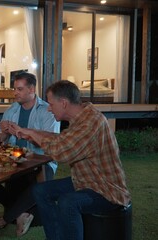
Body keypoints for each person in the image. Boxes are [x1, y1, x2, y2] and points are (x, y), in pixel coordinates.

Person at [15, 80, 131, 240]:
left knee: (68, 202)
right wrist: (32, 132)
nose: (48, 108)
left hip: (106, 191)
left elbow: (61, 152)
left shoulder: (90, 123)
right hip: (85, 181)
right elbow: (63, 139)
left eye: (51, 104)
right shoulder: (81, 118)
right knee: (40, 191)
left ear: (63, 103)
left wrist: (33, 134)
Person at [0, 72, 60, 237]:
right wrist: (3, 132)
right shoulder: (12, 109)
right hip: (15, 162)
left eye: (19, 89)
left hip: (42, 162)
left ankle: (4, 219)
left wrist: (22, 132)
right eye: (14, 89)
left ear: (31, 89)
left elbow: (49, 144)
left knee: (37, 184)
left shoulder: (47, 111)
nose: (14, 92)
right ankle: (22, 213)